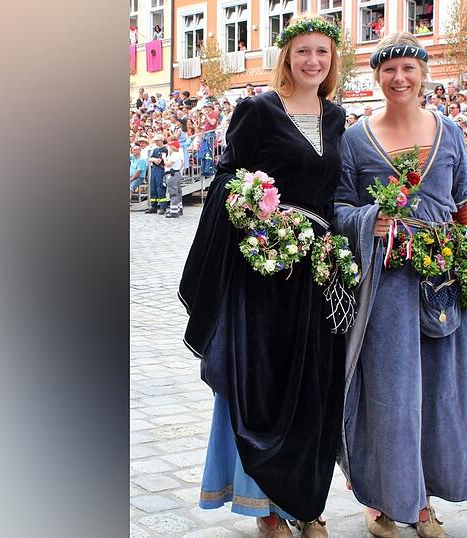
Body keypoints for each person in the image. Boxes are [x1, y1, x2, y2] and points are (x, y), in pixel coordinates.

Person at [332, 32, 467, 538]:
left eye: (408, 69)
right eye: (389, 69)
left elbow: (466, 208)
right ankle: (383, 501)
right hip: (385, 285)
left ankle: (423, 501)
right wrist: (370, 221)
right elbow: (340, 207)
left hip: (444, 278)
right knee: (391, 394)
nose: (399, 78)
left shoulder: (450, 132)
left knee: (438, 392)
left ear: (423, 75)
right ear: (377, 77)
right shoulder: (355, 138)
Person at [178, 16, 347, 538]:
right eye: (302, 52)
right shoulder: (256, 109)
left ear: (332, 58)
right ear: (287, 57)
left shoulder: (337, 116)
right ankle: (264, 507)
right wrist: (263, 211)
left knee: (314, 383)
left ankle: (308, 504)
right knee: (264, 381)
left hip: (317, 272)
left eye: (321, 51)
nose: (312, 61)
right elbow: (228, 176)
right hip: (265, 270)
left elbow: (337, 194)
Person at [145, 134, 169, 214]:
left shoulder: (165, 149)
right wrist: (154, 159)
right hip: (154, 169)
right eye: (155, 141)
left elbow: (159, 161)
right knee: (153, 188)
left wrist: (153, 160)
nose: (156, 142)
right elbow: (149, 158)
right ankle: (153, 206)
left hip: (160, 170)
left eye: (157, 141)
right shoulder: (155, 149)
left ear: (161, 140)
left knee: (160, 188)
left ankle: (163, 207)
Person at [163, 140, 184, 218]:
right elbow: (182, 164)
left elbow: (168, 164)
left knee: (173, 192)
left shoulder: (174, 155)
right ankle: (178, 209)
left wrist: (164, 158)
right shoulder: (177, 154)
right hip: (176, 173)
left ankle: (174, 212)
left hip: (172, 174)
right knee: (178, 192)